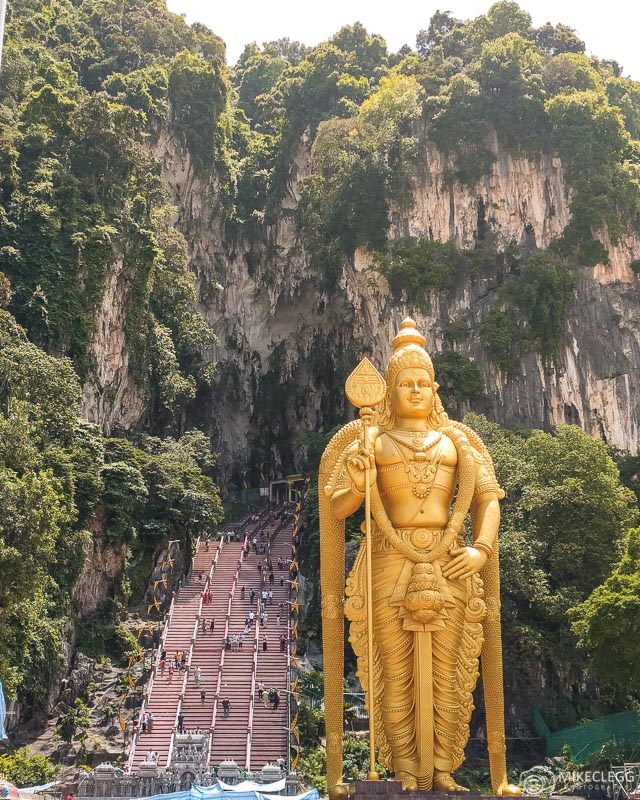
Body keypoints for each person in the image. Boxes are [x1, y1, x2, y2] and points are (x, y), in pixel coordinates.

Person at [320, 317, 518, 795]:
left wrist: (480, 548)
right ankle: (407, 769)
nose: (413, 390)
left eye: (422, 383)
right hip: (389, 557)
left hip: (450, 558)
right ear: (389, 389)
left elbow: (487, 499)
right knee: (396, 667)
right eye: (404, 383)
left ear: (435, 388)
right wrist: (358, 476)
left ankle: (446, 768)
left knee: (450, 670)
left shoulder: (459, 442)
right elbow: (338, 506)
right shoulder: (371, 441)